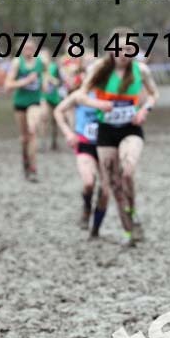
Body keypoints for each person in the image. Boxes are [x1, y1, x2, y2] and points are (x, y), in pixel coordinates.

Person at [79, 28, 160, 247]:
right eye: (119, 49)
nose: (123, 53)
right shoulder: (99, 70)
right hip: (106, 131)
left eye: (128, 49)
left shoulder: (140, 71)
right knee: (113, 184)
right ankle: (128, 232)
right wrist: (99, 104)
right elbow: (81, 95)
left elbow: (154, 94)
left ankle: (132, 212)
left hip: (130, 129)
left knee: (128, 170)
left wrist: (145, 110)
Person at [54, 72, 109, 236]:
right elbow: (58, 111)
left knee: (106, 191)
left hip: (107, 145)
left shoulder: (108, 94)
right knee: (88, 182)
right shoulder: (79, 96)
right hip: (85, 144)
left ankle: (96, 229)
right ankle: (86, 209)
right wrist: (68, 133)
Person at [4, 40, 43, 182]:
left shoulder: (40, 62)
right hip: (20, 103)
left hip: (35, 102)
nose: (29, 50)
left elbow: (44, 76)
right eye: (26, 48)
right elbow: (7, 85)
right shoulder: (16, 63)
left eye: (32, 48)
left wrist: (45, 84)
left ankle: (33, 167)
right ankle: (25, 160)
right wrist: (25, 81)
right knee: (24, 137)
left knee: (32, 131)